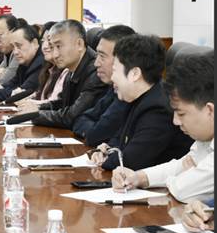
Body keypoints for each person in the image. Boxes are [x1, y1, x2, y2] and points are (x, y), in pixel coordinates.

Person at [111, 53, 213, 202]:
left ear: (209, 110)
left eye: (181, 113)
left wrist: (184, 176)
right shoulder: (206, 136)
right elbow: (182, 164)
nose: (175, 121)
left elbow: (182, 190)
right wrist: (139, 177)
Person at [91, 34, 192, 171]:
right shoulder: (137, 97)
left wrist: (106, 157)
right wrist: (105, 150)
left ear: (134, 74)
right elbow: (119, 140)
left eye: (115, 70)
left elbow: (130, 161)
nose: (112, 77)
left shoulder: (158, 110)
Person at [18, 19, 107, 128]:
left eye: (59, 46)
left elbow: (73, 116)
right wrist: (37, 108)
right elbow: (62, 104)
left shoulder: (96, 71)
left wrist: (35, 115)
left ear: (79, 44)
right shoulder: (71, 69)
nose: (55, 54)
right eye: (52, 47)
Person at [72, 25, 135, 146]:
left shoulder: (127, 94)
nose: (96, 63)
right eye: (97, 55)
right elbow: (80, 119)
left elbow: (96, 135)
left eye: (102, 56)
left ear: (123, 59)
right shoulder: (113, 87)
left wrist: (93, 130)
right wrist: (93, 129)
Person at [0, 22, 43, 101]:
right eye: (13, 47)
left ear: (34, 43)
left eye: (19, 46)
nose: (15, 52)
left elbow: (20, 95)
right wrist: (0, 89)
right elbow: (10, 85)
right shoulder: (24, 63)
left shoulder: (41, 64)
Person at [34, 22, 68, 102]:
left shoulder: (67, 71)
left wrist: (33, 104)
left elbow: (54, 103)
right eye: (43, 41)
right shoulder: (49, 69)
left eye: (49, 42)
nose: (45, 46)